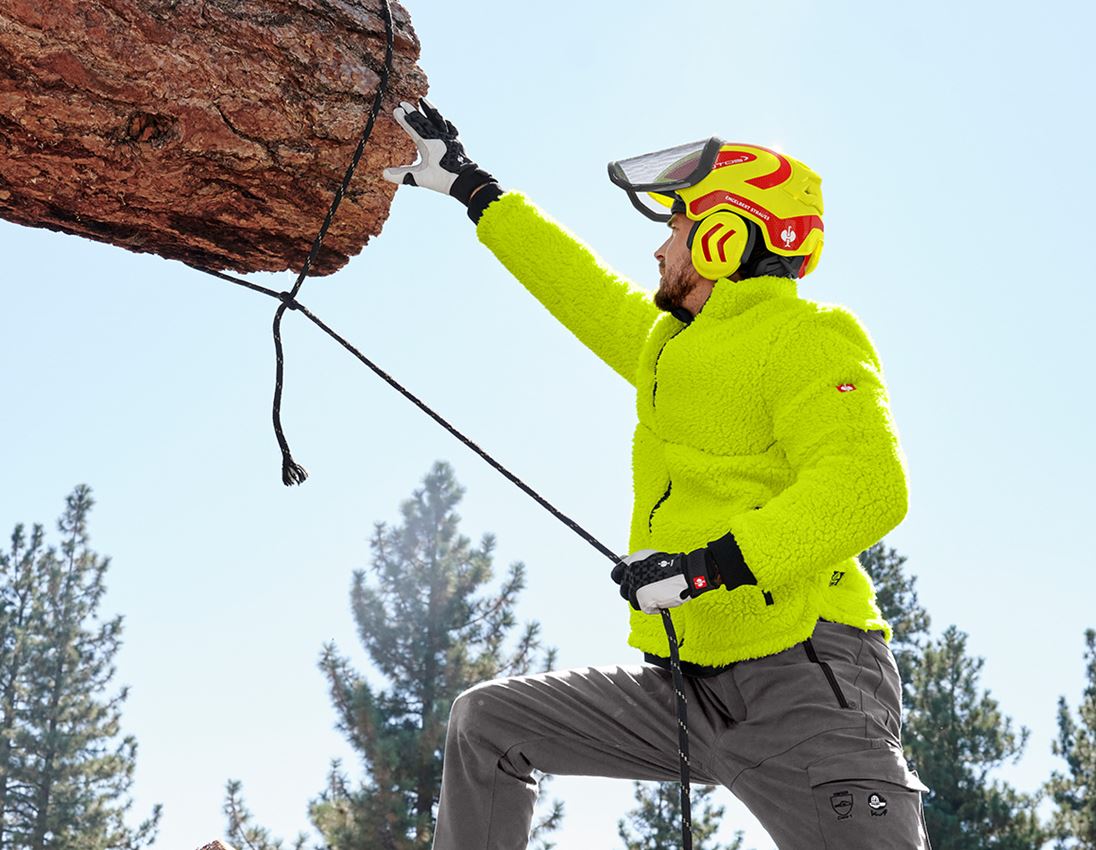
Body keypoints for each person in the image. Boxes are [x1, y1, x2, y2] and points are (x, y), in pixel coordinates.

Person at [383, 99, 932, 850]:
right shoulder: (671, 348)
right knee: (488, 724)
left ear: (723, 239)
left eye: (675, 229)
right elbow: (580, 290)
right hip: (686, 690)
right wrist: (471, 188)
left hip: (805, 682)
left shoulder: (809, 337)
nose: (660, 251)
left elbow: (868, 488)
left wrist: (710, 567)